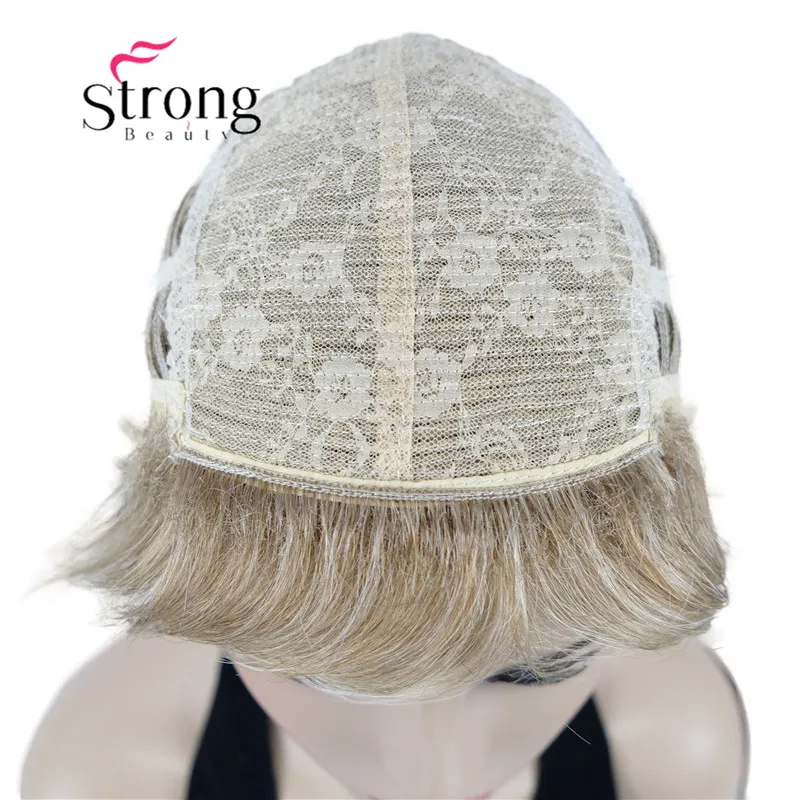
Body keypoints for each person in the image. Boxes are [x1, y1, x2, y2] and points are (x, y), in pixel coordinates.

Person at [20, 33, 749, 799]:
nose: (430, 778)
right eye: (317, 665)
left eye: (536, 663)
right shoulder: (106, 771)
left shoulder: (677, 744)